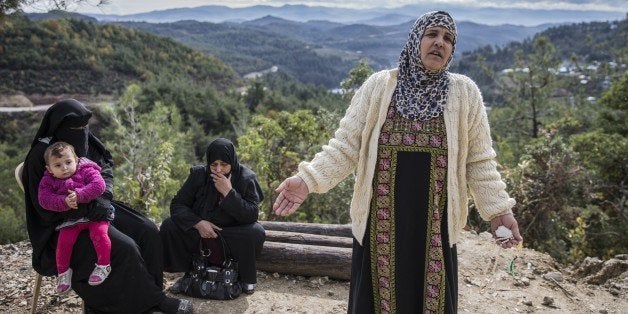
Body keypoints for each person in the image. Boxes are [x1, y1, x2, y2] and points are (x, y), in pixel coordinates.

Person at [272, 11, 523, 313]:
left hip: (435, 226)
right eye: (432, 34)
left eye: (448, 39)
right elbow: (345, 146)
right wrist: (308, 179)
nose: (439, 43)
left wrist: (498, 210)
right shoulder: (379, 87)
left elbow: (479, 161)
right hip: (380, 222)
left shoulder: (465, 93)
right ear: (416, 39)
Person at [22, 99, 193, 313]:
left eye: (84, 127)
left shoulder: (84, 141)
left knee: (147, 230)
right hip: (63, 221)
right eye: (75, 128)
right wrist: (85, 207)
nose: (81, 132)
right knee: (125, 248)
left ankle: (149, 298)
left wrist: (104, 197)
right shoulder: (42, 155)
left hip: (97, 204)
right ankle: (153, 302)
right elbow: (43, 205)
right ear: (58, 128)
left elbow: (104, 167)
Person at [160, 138, 265, 295]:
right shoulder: (198, 175)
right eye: (213, 164)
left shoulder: (246, 178)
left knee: (255, 232)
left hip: (230, 232)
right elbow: (178, 204)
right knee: (169, 225)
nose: (218, 169)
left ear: (232, 162)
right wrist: (198, 223)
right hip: (200, 230)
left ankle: (243, 277)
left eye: (224, 164)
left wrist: (229, 193)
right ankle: (189, 273)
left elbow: (251, 214)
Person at [38, 141, 113, 293]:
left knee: (99, 233)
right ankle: (64, 272)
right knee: (64, 241)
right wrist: (63, 201)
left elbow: (99, 185)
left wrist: (79, 195)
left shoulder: (86, 169)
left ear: (76, 160)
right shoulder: (48, 180)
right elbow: (44, 199)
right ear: (49, 169)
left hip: (95, 214)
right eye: (58, 165)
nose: (64, 168)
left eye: (68, 162)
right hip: (71, 219)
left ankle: (104, 265)